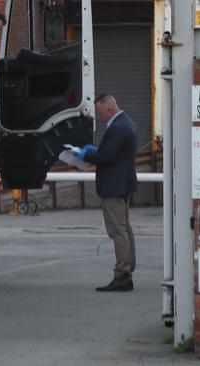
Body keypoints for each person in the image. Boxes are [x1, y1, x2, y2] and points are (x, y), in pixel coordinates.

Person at [74, 95, 138, 292]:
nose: (99, 117)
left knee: (117, 230)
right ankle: (127, 271)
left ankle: (122, 274)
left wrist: (85, 154)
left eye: (100, 113)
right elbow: (114, 153)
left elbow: (107, 156)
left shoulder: (117, 128)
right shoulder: (128, 123)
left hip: (114, 186)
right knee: (125, 229)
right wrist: (96, 151)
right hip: (124, 184)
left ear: (109, 109)